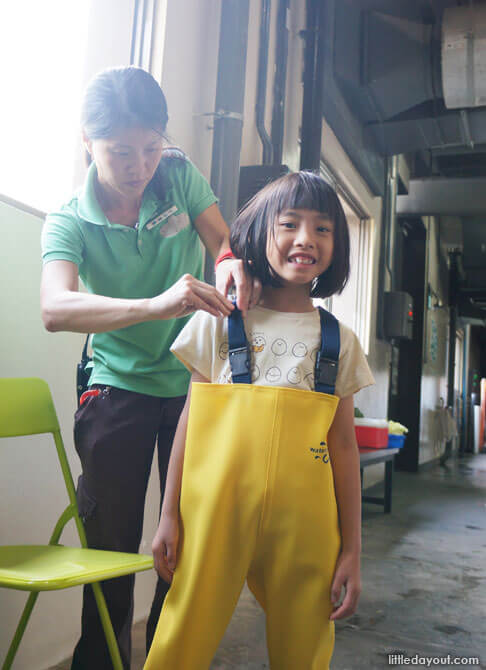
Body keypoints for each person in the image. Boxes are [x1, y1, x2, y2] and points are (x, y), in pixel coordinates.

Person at [40, 65, 256, 670]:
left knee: (183, 544)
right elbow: (55, 308)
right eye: (120, 152)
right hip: (115, 389)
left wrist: (232, 263)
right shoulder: (70, 220)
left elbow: (222, 241)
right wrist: (155, 305)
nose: (139, 165)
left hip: (194, 386)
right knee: (108, 551)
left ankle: (170, 659)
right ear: (88, 141)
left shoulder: (178, 175)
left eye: (151, 147)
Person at [146, 171, 375, 669]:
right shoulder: (218, 321)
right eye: (289, 224)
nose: (305, 239)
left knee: (305, 647)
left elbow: (343, 447)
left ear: (337, 243)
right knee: (180, 636)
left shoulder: (340, 341)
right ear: (259, 234)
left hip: (307, 525)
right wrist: (168, 514)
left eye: (322, 228)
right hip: (214, 512)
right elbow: (190, 420)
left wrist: (352, 550)